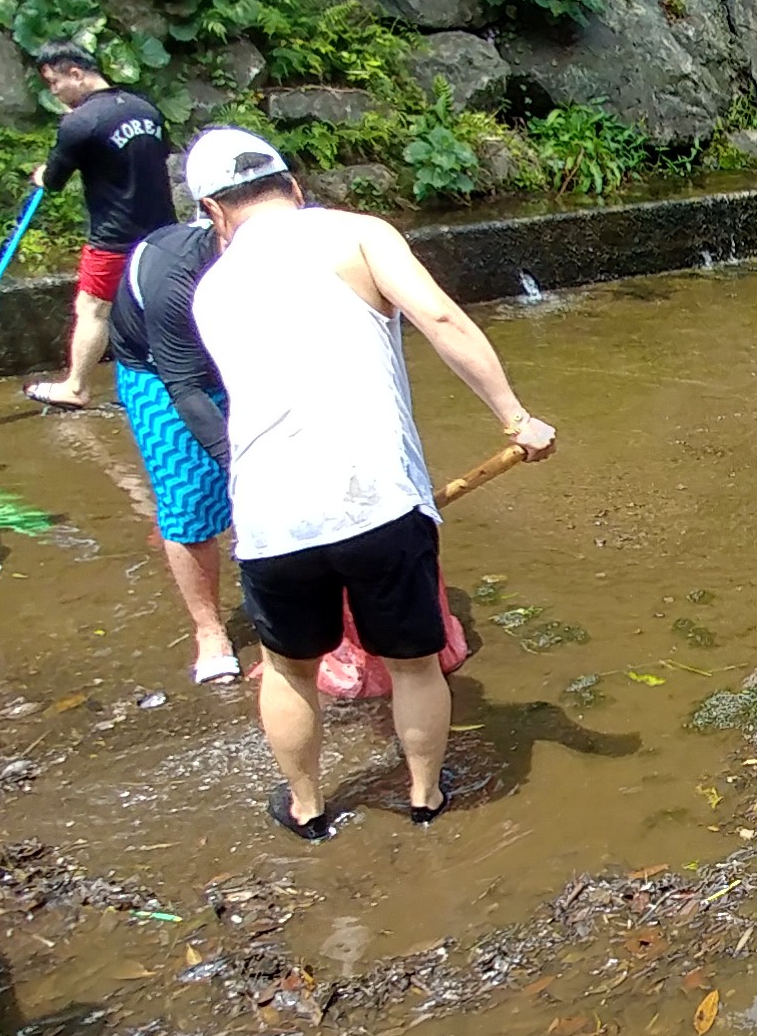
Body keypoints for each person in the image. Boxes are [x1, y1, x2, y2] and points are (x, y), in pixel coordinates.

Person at [183, 131, 556, 838]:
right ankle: (424, 799)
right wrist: (516, 418)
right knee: (414, 667)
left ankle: (306, 808)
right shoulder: (358, 236)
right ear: (292, 186)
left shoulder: (212, 288)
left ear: (213, 210)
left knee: (290, 672)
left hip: (269, 515)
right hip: (377, 500)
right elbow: (440, 317)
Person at [107, 211, 242, 684]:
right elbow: (185, 387)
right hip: (163, 372)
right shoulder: (172, 271)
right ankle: (209, 630)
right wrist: (237, 463)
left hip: (237, 353)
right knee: (189, 497)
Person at [22, 44, 176, 411]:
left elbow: (55, 180)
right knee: (159, 306)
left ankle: (75, 387)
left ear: (76, 73)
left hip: (114, 236)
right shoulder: (146, 108)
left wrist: (43, 176)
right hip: (163, 233)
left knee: (92, 308)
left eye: (54, 82)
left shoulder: (79, 123)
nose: (54, 92)